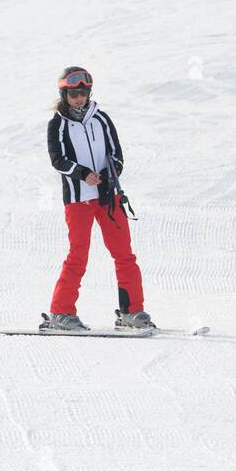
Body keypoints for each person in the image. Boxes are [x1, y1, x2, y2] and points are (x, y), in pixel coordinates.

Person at [44, 66, 152, 331]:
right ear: (64, 95)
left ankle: (131, 312)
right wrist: (82, 174)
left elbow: (117, 155)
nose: (79, 99)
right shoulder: (57, 124)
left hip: (108, 198)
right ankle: (61, 312)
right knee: (78, 255)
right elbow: (57, 160)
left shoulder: (101, 119)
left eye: (83, 93)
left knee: (124, 254)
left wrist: (108, 176)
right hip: (78, 200)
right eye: (73, 94)